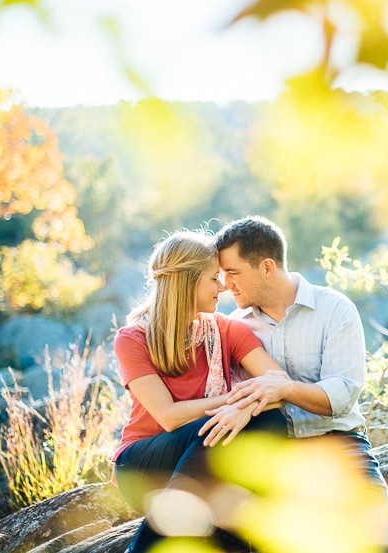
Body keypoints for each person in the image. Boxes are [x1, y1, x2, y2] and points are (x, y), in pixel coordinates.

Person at [204, 215, 388, 552]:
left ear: (266, 267)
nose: (225, 284)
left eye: (233, 273)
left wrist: (284, 388)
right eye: (221, 275)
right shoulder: (234, 327)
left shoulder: (334, 309)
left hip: (341, 447)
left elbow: (342, 395)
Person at [111, 230, 287, 553]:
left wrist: (246, 406)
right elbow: (168, 417)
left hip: (203, 460)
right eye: (213, 279)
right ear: (187, 282)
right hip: (144, 467)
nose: (222, 287)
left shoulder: (227, 330)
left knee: (272, 421)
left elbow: (278, 382)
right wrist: (236, 402)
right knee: (217, 429)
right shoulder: (133, 338)